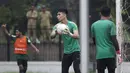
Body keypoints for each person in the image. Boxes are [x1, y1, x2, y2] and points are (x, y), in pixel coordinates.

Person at [91, 6, 122, 73]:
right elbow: (114, 39)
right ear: (110, 14)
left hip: (100, 54)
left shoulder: (93, 25)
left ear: (100, 13)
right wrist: (118, 53)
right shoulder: (111, 24)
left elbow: (94, 41)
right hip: (110, 54)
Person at [50, 8, 80, 73]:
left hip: (75, 50)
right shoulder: (57, 26)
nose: (57, 16)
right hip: (66, 52)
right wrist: (55, 32)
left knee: (76, 69)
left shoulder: (72, 24)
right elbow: (51, 36)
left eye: (59, 14)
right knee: (64, 71)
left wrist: (69, 33)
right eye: (57, 15)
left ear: (64, 15)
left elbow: (77, 36)